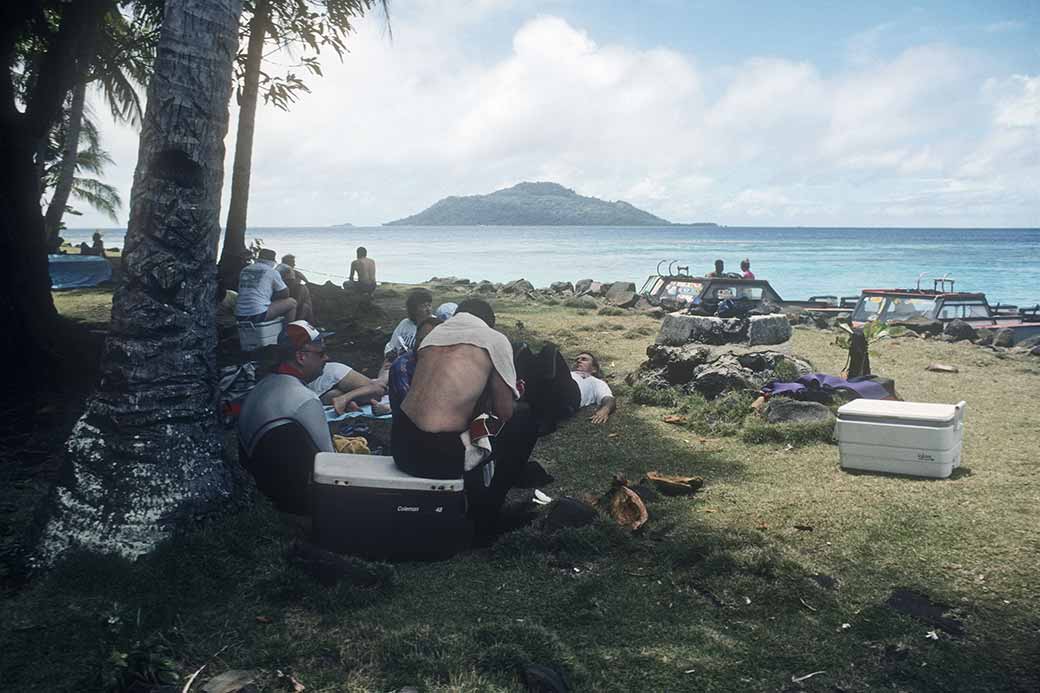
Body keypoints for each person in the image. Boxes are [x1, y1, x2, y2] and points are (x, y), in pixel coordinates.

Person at [392, 298, 537, 540]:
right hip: (435, 458)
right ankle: (487, 516)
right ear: (488, 323)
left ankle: (474, 498)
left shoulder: (432, 337)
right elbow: (505, 412)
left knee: (463, 426)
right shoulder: (494, 339)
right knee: (525, 419)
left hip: (401, 446)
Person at [237, 320, 334, 458]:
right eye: (321, 353)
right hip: (280, 478)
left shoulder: (265, 383)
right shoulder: (305, 399)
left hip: (255, 470)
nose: (327, 358)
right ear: (301, 357)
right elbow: (330, 460)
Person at [388, 316, 442, 414]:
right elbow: (414, 409)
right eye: (421, 339)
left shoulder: (440, 361)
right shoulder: (402, 367)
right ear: (416, 339)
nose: (423, 345)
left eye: (429, 341)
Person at [235, 248, 297, 323]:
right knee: (292, 302)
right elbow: (285, 293)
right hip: (257, 314)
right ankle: (287, 331)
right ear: (272, 261)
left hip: (239, 314)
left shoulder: (245, 270)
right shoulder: (271, 271)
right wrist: (273, 297)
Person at [308, 360, 386, 414]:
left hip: (312, 385)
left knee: (335, 393)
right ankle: (343, 399)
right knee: (379, 390)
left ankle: (346, 401)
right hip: (328, 372)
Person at [383, 288, 433, 358]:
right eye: (424, 306)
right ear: (414, 310)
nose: (428, 309)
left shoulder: (435, 325)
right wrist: (390, 355)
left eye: (429, 305)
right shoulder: (405, 324)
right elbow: (392, 345)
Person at [571, 352, 617, 424]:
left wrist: (605, 410)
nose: (578, 361)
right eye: (577, 359)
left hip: (570, 399)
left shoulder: (596, 382)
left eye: (584, 359)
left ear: (594, 369)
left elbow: (609, 399)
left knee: (550, 350)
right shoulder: (568, 374)